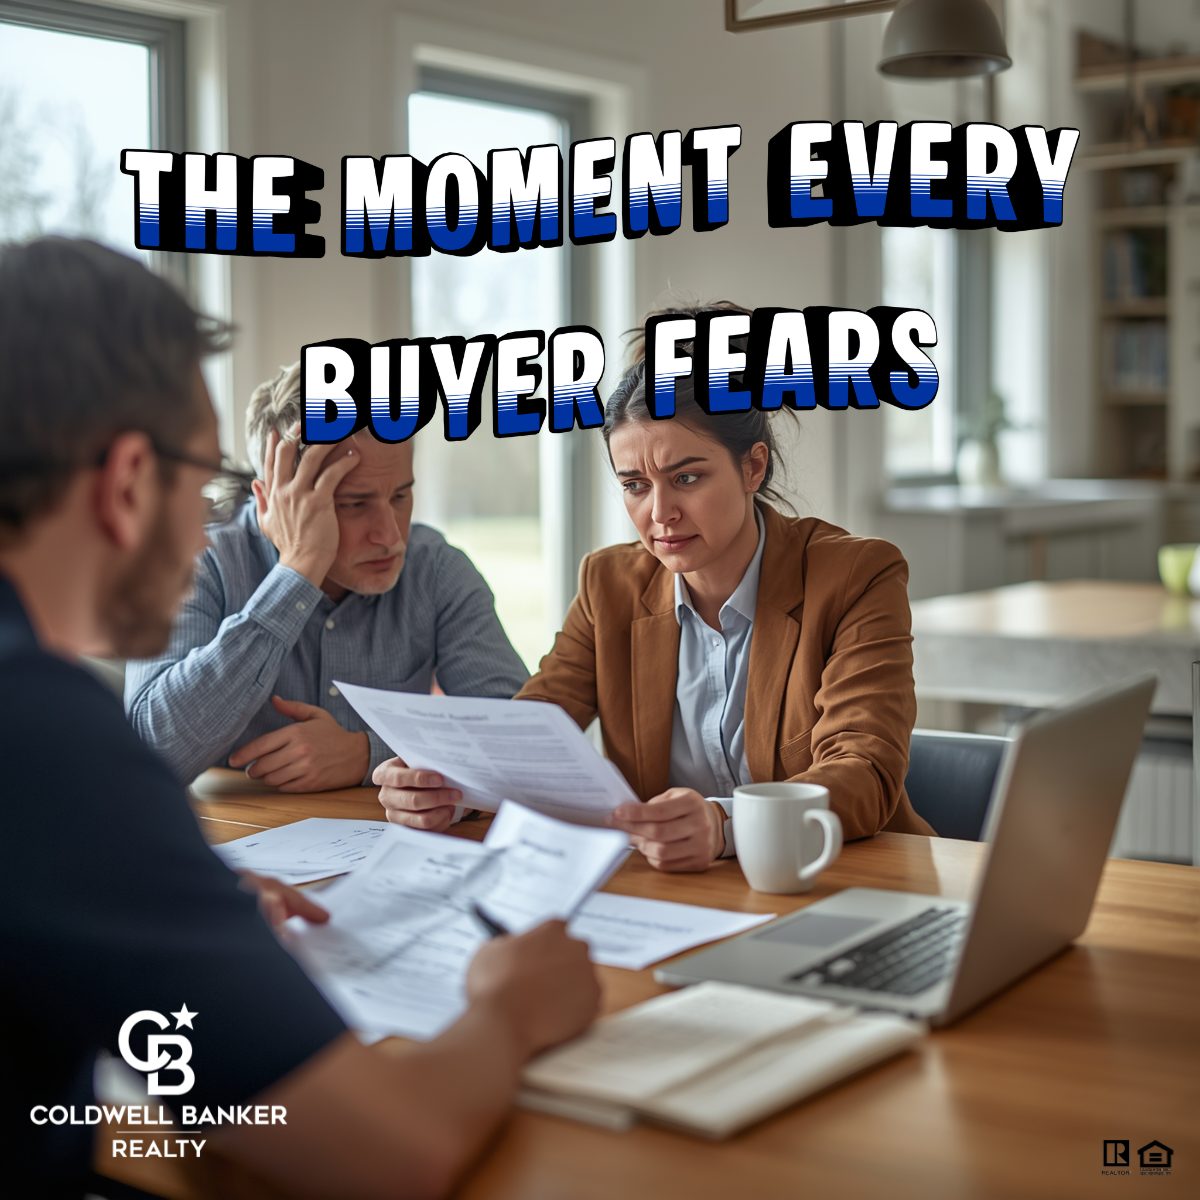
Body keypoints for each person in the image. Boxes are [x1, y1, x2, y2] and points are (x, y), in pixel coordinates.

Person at [0, 237, 599, 1199]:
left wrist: (170, 911)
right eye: (200, 478)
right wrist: (509, 1010)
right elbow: (390, 1153)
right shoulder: (43, 731)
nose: (203, 524)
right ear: (127, 485)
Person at [376, 305, 935, 869]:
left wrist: (725, 825)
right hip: (677, 888)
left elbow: (864, 771)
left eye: (686, 478)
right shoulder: (608, 586)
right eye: (636, 485)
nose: (661, 512)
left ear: (753, 468)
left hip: (843, 877)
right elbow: (531, 735)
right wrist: (450, 789)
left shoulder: (856, 576)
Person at [124, 360, 529, 790]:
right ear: (272, 502)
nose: (390, 536)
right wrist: (297, 572)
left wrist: (368, 754)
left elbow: (521, 741)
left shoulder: (436, 569)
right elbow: (151, 755)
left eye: (400, 496)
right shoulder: (199, 560)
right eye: (353, 504)